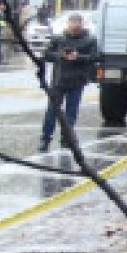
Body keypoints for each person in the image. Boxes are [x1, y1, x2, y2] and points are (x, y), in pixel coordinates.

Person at [40, 13, 99, 152]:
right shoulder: (58, 39)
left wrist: (79, 57)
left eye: (77, 27)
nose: (74, 30)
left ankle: (66, 139)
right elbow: (46, 55)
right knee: (52, 111)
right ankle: (45, 138)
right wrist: (60, 55)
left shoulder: (90, 40)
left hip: (77, 81)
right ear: (68, 25)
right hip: (58, 81)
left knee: (71, 113)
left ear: (81, 26)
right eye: (72, 27)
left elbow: (95, 57)